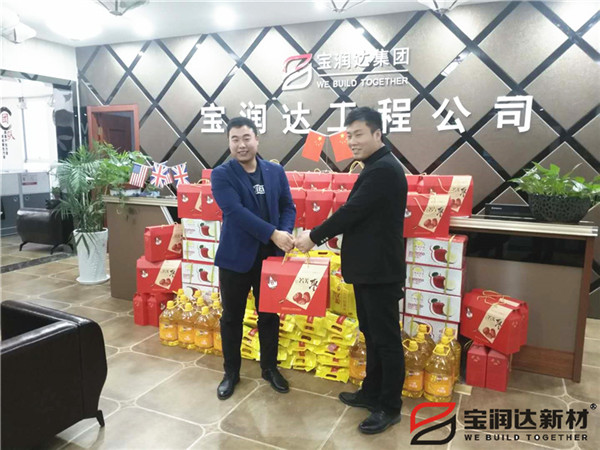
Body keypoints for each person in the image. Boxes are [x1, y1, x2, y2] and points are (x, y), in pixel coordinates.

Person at [296, 107, 407, 434]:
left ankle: (390, 407)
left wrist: (313, 237)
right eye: (349, 136)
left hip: (380, 271)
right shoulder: (375, 166)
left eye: (359, 134)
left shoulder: (383, 170)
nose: (352, 141)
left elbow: (352, 212)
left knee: (386, 340)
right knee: (372, 334)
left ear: (377, 134)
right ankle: (372, 392)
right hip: (368, 269)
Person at [211, 116, 296, 400]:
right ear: (229, 143)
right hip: (236, 258)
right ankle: (231, 373)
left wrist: (284, 233)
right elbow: (235, 212)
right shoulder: (222, 174)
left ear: (256, 139)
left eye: (246, 138)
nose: (241, 145)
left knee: (269, 315)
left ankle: (269, 368)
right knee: (231, 318)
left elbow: (287, 206)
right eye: (234, 139)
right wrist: (273, 233)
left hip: (270, 259)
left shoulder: (275, 171)